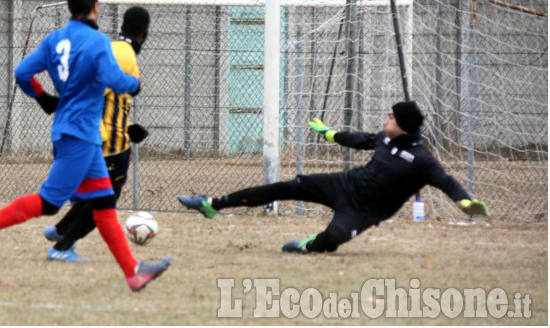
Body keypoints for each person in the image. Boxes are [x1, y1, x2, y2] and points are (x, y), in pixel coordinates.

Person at [0, 0, 171, 291]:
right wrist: (134, 84)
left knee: (103, 203)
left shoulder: (54, 40)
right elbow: (115, 79)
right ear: (95, 6)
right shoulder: (97, 42)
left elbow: (21, 73)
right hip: (80, 135)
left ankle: (133, 272)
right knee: (48, 202)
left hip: (72, 132)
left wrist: (43, 97)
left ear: (70, 7)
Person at [178, 101, 489, 254]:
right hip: (344, 184)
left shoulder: (422, 160)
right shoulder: (385, 138)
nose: (386, 119)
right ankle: (212, 203)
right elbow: (360, 139)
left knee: (333, 240)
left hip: (363, 211)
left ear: (404, 124)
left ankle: (309, 245)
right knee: (285, 187)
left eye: (391, 116)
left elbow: (446, 181)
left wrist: (464, 201)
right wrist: (330, 133)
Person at [38, 6, 151, 262]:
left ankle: (61, 230)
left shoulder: (116, 48)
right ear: (145, 33)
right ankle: (62, 246)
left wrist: (129, 126)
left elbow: (109, 97)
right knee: (104, 201)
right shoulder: (125, 55)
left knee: (95, 195)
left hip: (106, 134)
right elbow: (93, 93)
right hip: (108, 142)